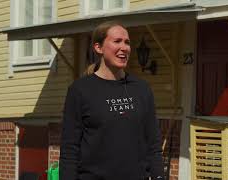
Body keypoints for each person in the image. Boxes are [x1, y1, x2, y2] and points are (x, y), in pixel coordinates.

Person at [59, 21, 164, 180]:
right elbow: (69, 149)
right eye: (117, 41)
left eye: (127, 42)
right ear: (98, 48)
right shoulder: (80, 90)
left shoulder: (142, 89)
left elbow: (154, 143)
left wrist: (159, 176)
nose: (124, 47)